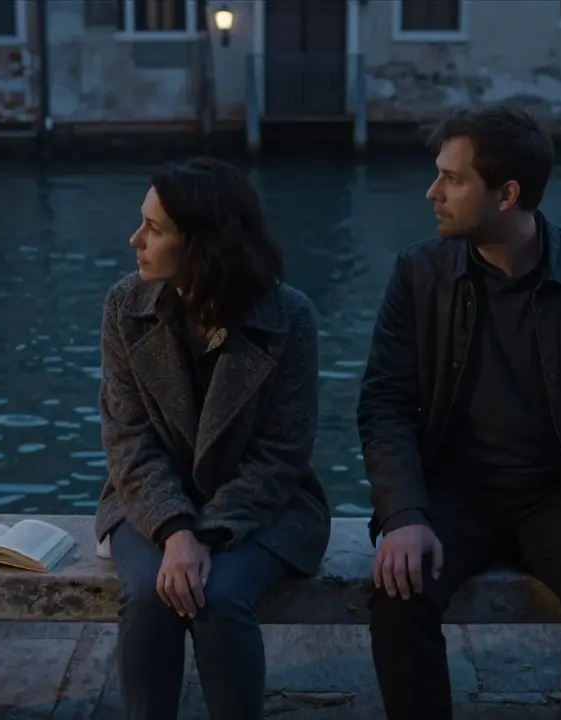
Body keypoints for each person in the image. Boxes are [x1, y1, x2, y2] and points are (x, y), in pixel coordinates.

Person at [358, 106, 561, 719]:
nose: (432, 192)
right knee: (397, 591)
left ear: (507, 194)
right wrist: (405, 513)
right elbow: (384, 404)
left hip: (556, 494)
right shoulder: (418, 274)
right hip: (450, 491)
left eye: (452, 179)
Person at [95, 157, 332, 720]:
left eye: (154, 228)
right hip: (147, 501)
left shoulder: (289, 318)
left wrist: (209, 532)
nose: (135, 239)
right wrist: (177, 529)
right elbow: (127, 437)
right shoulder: (125, 307)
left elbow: (281, 454)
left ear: (202, 244)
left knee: (219, 599)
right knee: (153, 594)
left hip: (263, 508)